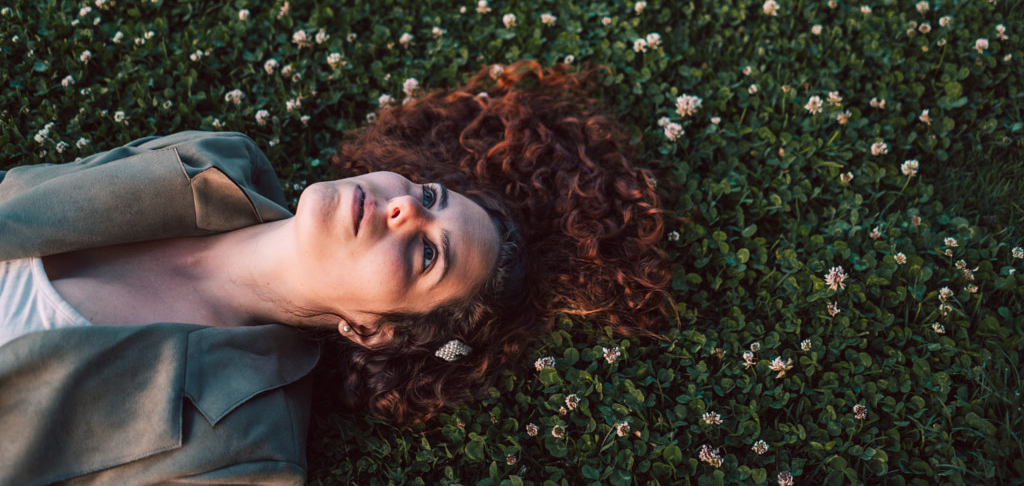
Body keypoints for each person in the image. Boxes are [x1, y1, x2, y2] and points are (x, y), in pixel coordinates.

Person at [0, 61, 673, 484]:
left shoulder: (242, 451)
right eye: (431, 195)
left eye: (427, 254)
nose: (406, 205)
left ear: (371, 330)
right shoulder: (213, 157)